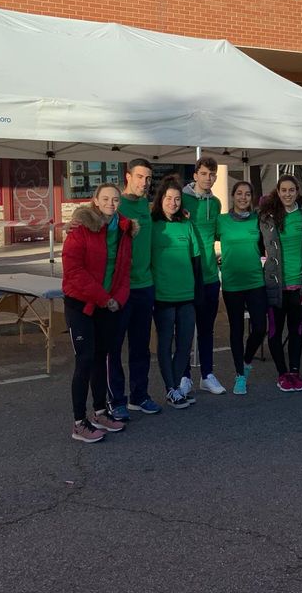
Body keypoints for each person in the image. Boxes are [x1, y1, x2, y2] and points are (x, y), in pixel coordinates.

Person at [61, 183, 136, 443]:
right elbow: (74, 272)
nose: (111, 203)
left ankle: (100, 411)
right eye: (105, 199)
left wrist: (118, 299)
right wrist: (105, 299)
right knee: (85, 360)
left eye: (115, 199)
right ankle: (79, 422)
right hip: (82, 304)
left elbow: (125, 270)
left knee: (101, 358)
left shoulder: (124, 229)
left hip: (108, 305)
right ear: (95, 200)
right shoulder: (80, 228)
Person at [108, 159, 160, 420]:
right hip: (120, 289)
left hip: (145, 286)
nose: (144, 183)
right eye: (140, 177)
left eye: (148, 178)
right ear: (128, 176)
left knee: (141, 347)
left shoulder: (147, 206)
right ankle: (116, 400)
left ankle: (140, 396)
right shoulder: (116, 205)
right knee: (114, 347)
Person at [150, 177, 203, 409]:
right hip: (162, 297)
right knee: (165, 344)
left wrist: (198, 292)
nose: (173, 202)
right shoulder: (152, 226)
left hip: (187, 296)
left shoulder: (187, 225)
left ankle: (175, 387)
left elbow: (196, 261)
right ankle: (171, 388)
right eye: (169, 198)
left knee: (184, 344)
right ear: (161, 199)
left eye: (177, 199)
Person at [258, 175, 302, 392]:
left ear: (297, 192)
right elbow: (256, 243)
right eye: (284, 190)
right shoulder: (266, 217)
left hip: (299, 285)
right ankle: (282, 374)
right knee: (275, 331)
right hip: (275, 284)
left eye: (292, 190)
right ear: (278, 192)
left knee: (296, 330)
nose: (288, 194)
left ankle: (295, 372)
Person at [216, 181, 267, 395]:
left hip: (256, 281)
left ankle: (246, 361)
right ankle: (239, 375)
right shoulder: (222, 221)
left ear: (252, 197)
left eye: (247, 194)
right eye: (239, 193)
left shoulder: (259, 220)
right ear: (233, 196)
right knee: (236, 329)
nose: (243, 197)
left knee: (260, 328)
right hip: (232, 284)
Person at [181, 156, 226, 396]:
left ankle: (207, 374)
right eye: (205, 173)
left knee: (207, 329)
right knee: (187, 329)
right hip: (187, 274)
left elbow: (218, 233)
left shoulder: (217, 203)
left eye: (212, 174)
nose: (209, 178)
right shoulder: (181, 199)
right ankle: (184, 376)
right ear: (195, 174)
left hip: (209, 274)